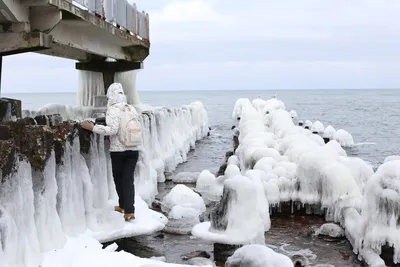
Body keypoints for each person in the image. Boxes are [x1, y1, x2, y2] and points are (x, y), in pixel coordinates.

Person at [81, 83, 140, 221]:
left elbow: (112, 130)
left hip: (119, 150)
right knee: (128, 180)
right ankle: (129, 210)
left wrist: (93, 127)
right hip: (133, 149)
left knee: (119, 179)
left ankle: (124, 207)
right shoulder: (130, 108)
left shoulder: (113, 109)